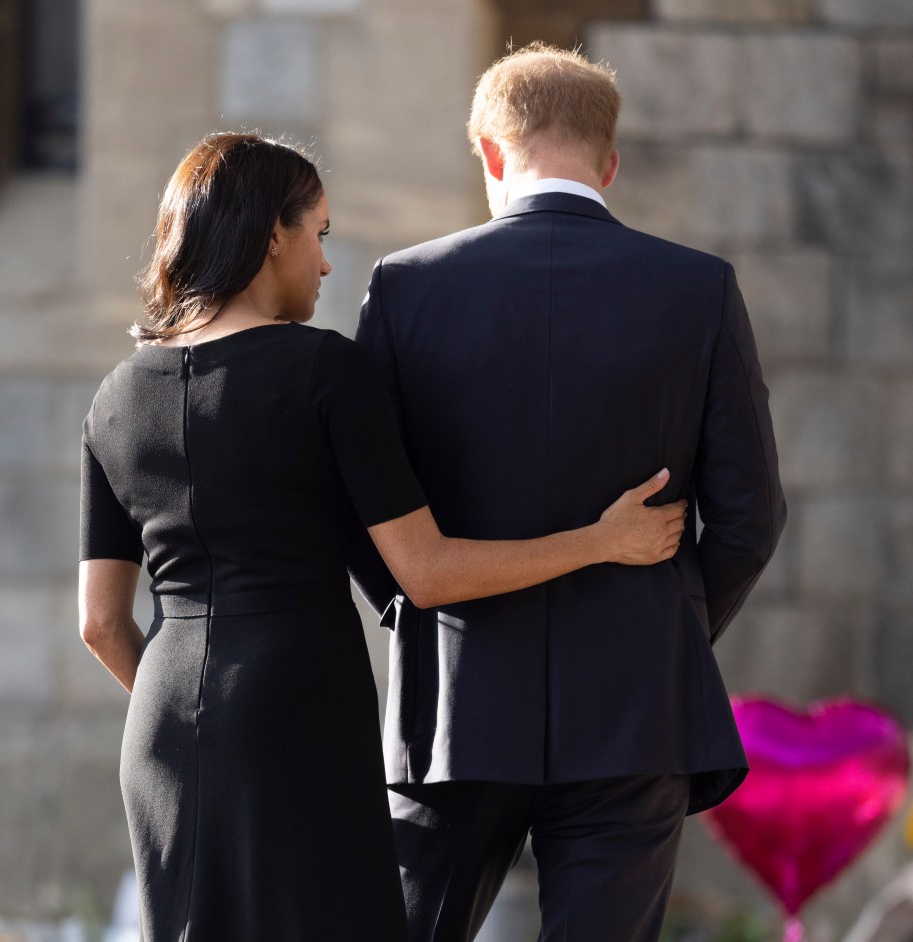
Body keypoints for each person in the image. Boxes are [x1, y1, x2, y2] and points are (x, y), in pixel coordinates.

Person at [77, 131, 688, 942]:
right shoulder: (322, 371)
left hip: (157, 727)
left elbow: (100, 623)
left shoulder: (114, 396)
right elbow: (424, 572)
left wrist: (193, 720)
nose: (325, 265)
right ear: (271, 237)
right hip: (295, 707)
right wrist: (601, 540)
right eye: (318, 233)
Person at [351, 44, 787, 942]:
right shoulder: (698, 289)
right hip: (634, 708)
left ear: (488, 151)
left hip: (457, 707)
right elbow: (750, 515)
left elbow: (361, 499)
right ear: (611, 162)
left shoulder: (404, 288)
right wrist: (662, 624)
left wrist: (421, 610)